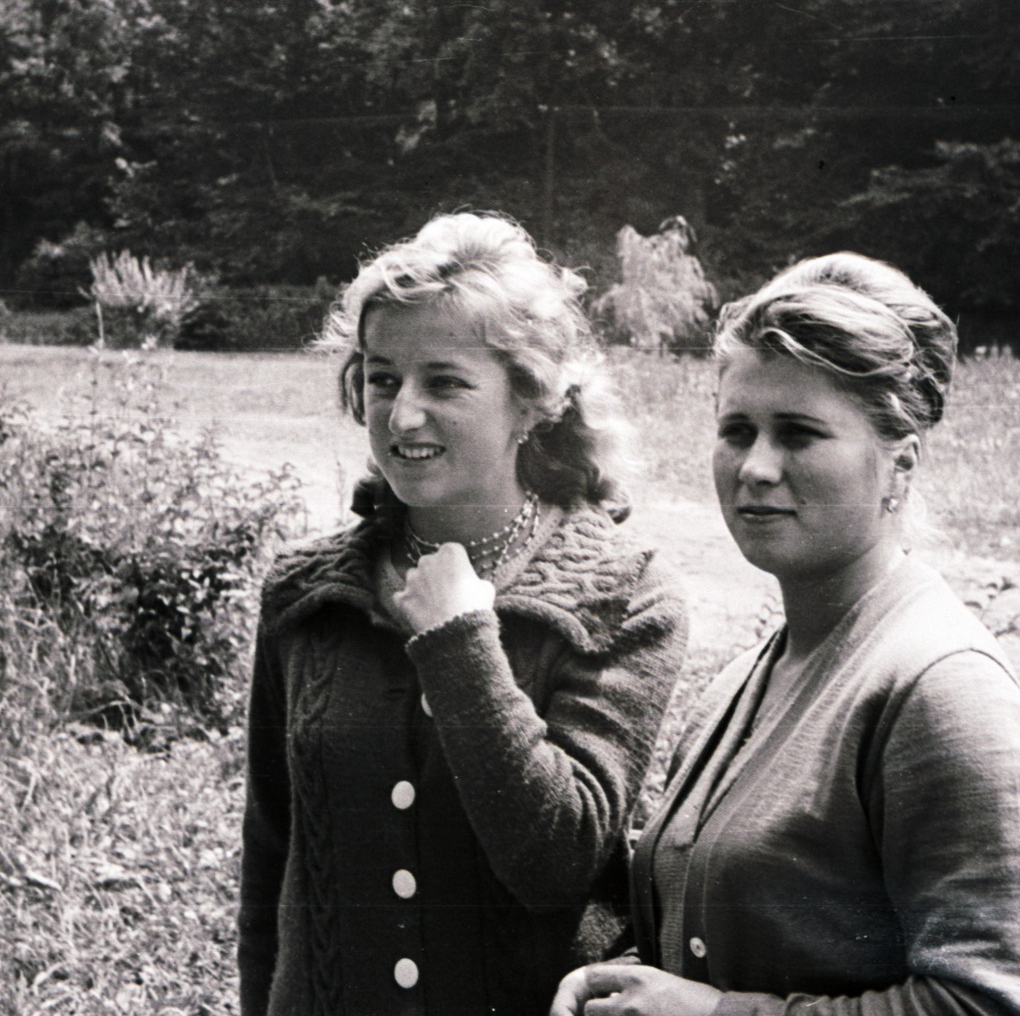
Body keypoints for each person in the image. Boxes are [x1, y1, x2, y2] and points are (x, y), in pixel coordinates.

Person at [552, 252, 1020, 1016]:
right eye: (737, 429)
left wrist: (717, 1015)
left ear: (899, 465)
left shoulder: (940, 690)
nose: (754, 466)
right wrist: (623, 978)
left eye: (797, 433)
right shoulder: (752, 675)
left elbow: (998, 1006)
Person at [238, 212, 688, 1016]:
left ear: (531, 402)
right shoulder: (305, 596)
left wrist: (458, 644)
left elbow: (556, 860)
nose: (402, 414)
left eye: (444, 382)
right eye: (382, 378)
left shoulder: (624, 595)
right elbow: (273, 857)